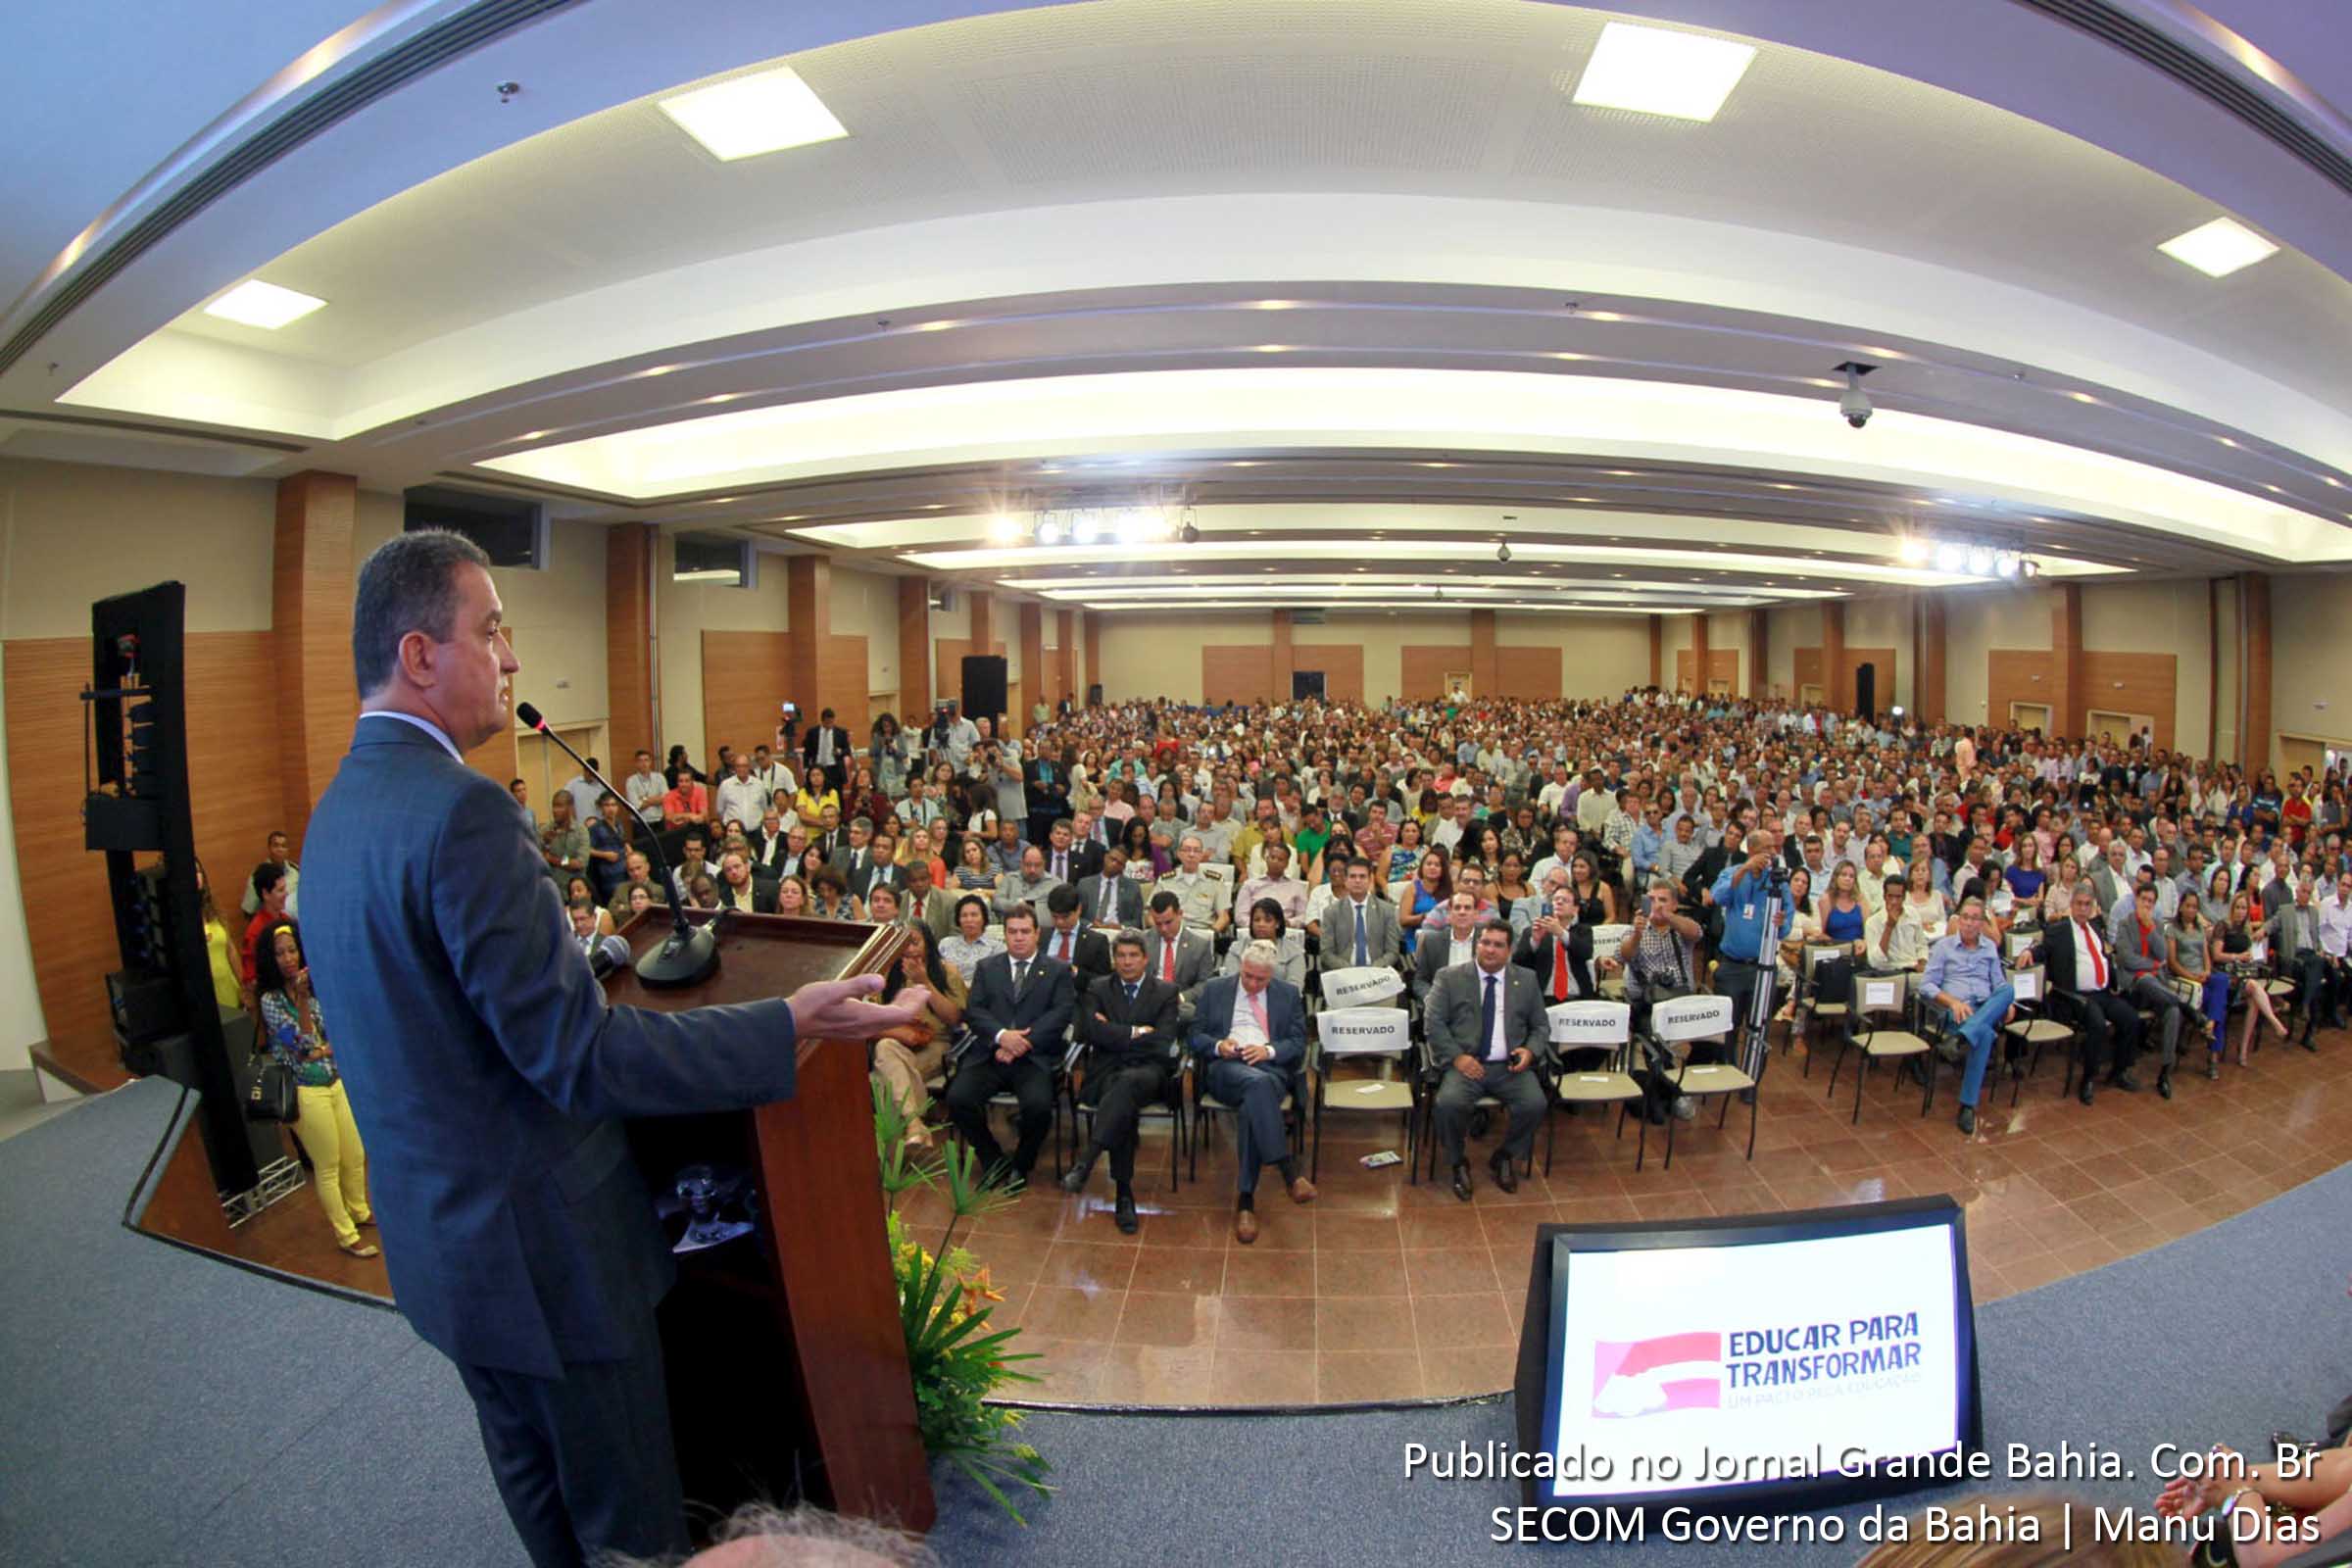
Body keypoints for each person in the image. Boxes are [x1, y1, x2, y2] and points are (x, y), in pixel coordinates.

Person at [298, 530, 932, 1568]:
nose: (509, 657)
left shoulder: (337, 815)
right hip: (553, 1267)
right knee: (627, 1529)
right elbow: (578, 1059)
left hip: (447, 1261)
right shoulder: (465, 813)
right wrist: (789, 1022)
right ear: (420, 655)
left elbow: (429, 1022)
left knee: (544, 1511)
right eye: (492, 629)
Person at [254, 920, 376, 1257]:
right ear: (270, 958)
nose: (288, 958)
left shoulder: (314, 986)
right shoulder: (271, 1001)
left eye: (292, 950)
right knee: (328, 1165)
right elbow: (304, 1045)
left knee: (354, 1154)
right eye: (279, 953)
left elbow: (334, 1031)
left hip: (335, 1082)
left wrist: (322, 1046)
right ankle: (345, 1234)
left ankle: (360, 1211)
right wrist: (305, 1006)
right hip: (306, 1090)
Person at [1188, 940, 1312, 1243]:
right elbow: (1194, 1036)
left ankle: (1246, 1203)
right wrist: (1220, 1045)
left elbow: (1298, 1042)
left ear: (1272, 975)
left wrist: (1268, 1050)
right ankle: (1287, 1169)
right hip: (1227, 1069)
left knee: (1253, 1105)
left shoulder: (1288, 994)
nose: (1253, 984)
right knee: (1255, 1088)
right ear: (1240, 969)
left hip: (1269, 1069)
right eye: (1247, 977)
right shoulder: (1216, 989)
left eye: (1260, 979)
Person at [1058, 929, 1182, 1232]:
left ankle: (1088, 1159)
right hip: (1106, 1073)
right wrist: (1137, 1032)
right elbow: (1089, 1032)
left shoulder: (1165, 992)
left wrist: (1114, 1032)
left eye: (1133, 956)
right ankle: (1123, 1194)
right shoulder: (1098, 988)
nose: (1127, 962)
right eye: (1121, 956)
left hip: (1150, 1073)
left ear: (1145, 959)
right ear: (1114, 960)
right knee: (1121, 1097)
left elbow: (1163, 1043)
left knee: (1126, 1085)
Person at [943, 906, 1070, 1190]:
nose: (1019, 938)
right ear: (1005, 935)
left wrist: (1021, 1043)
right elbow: (975, 1011)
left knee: (1039, 1108)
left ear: (1038, 933)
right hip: (990, 1054)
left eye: (1025, 931)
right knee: (958, 1099)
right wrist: (1002, 1037)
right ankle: (993, 1159)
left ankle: (1022, 1164)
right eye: (1012, 932)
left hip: (1033, 1057)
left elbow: (1061, 1014)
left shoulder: (1057, 971)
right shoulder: (988, 968)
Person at [1425, 920, 1552, 1201]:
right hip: (1466, 1064)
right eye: (1485, 943)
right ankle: (1458, 1162)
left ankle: (1506, 1156)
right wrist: (1457, 1058)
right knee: (1448, 1104)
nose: (1490, 950)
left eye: (1498, 945)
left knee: (1535, 1104)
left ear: (1509, 950)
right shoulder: (1449, 977)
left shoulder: (1526, 979)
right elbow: (1433, 1024)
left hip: (1509, 1067)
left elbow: (1541, 1026)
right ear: (1476, 944)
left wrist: (1530, 1051)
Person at [2022, 883, 2144, 1106]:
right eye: (2078, 904)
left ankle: (2119, 1071)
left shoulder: (2095, 929)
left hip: (2102, 993)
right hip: (2075, 996)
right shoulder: (2060, 930)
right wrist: (2029, 952)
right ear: (2071, 905)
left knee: (2131, 1019)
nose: (2082, 909)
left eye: (2087, 905)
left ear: (2093, 907)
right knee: (2097, 1023)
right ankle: (2088, 1078)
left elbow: (2103, 958)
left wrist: (2114, 981)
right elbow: (2043, 948)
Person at [1917, 899, 2017, 1137]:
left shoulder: (1989, 948)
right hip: (1959, 1011)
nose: (1970, 923)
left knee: (2009, 991)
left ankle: (1962, 1038)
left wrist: (2008, 1002)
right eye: (1965, 917)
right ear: (1959, 920)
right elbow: (1926, 985)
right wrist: (1953, 1002)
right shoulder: (1944, 947)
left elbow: (1999, 984)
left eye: (1975, 918)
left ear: (1982, 923)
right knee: (1983, 1033)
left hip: (1984, 1006)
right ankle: (1967, 1106)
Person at [870, 922, 966, 1154]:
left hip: (936, 1045)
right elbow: (871, 1019)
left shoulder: (946, 972)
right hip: (896, 1041)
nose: (910, 949)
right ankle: (914, 1124)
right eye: (903, 944)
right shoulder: (884, 973)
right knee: (885, 1047)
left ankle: (891, 1158)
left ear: (928, 943)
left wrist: (925, 982)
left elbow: (954, 1018)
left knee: (878, 1081)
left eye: (915, 942)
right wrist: (900, 1032)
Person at [196, 862, 246, 1013]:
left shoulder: (212, 908)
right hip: (207, 1001)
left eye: (198, 871)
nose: (195, 876)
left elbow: (230, 950)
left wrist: (244, 987)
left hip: (231, 990)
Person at [242, 860, 293, 983]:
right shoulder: (255, 932)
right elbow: (251, 978)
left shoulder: (287, 920)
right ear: (266, 894)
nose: (286, 894)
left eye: (285, 888)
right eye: (280, 890)